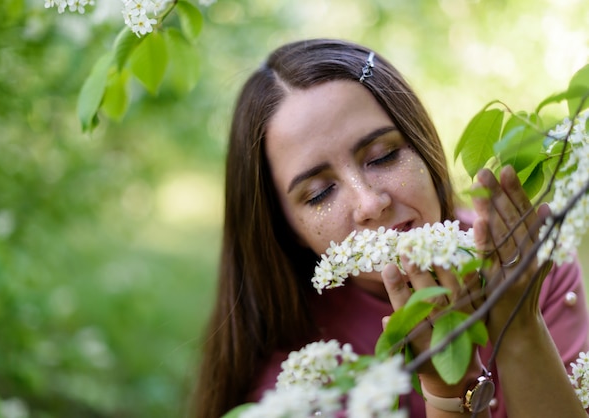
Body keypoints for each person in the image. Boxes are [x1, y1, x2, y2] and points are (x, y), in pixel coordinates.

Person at [191, 38, 589, 418]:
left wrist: (519, 325)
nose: (369, 203)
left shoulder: (520, 256)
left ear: (421, 142)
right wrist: (447, 394)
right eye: (319, 193)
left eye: (383, 156)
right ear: (288, 227)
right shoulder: (299, 380)